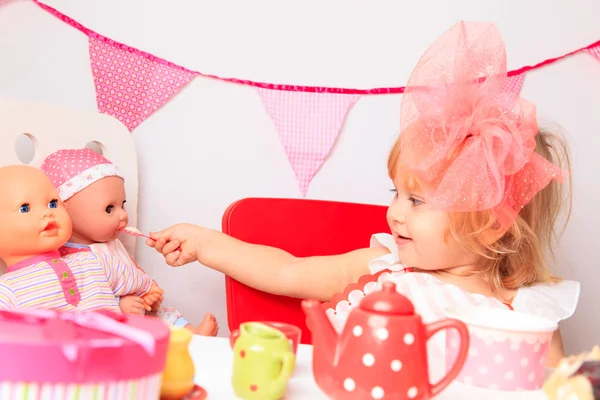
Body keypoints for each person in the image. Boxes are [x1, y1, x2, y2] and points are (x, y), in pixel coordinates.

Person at [146, 21, 579, 370]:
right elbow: (287, 272)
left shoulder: (530, 310)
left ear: (490, 226)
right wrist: (204, 243)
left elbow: (561, 390)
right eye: (397, 193)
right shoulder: (388, 270)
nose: (393, 213)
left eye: (417, 200)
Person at [40, 148, 218, 336]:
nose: (123, 215)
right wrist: (118, 304)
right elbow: (81, 300)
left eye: (122, 204)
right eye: (109, 209)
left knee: (167, 315)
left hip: (138, 310)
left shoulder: (111, 244)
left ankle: (193, 336)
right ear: (66, 212)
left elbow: (132, 274)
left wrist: (150, 294)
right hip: (109, 321)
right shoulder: (69, 259)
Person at [0, 165, 159, 312]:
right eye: (25, 208)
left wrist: (148, 289)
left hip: (113, 341)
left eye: (53, 203)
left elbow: (129, 277)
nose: (47, 213)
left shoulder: (91, 262)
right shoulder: (7, 291)